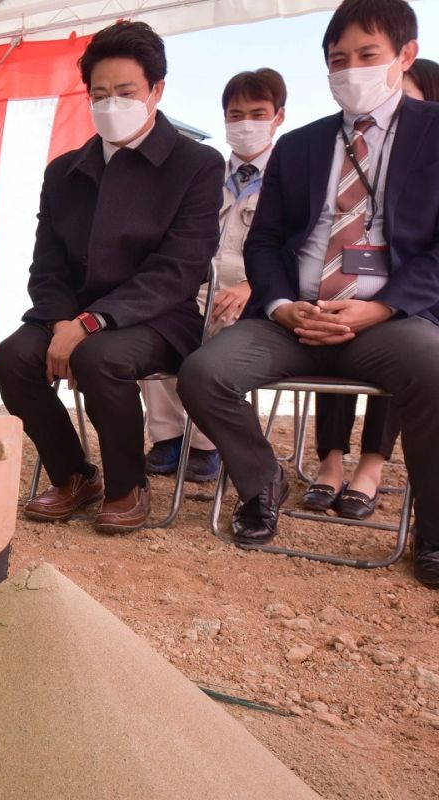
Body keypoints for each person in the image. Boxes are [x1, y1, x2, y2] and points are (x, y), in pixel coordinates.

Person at [178, 0, 439, 590]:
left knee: (434, 368)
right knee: (204, 372)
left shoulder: (434, 134)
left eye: (367, 55)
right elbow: (265, 241)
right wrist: (280, 306)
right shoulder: (299, 146)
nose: (351, 70)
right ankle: (263, 481)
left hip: (387, 321)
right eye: (337, 59)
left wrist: (380, 306)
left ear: (405, 56)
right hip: (292, 318)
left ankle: (434, 533)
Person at [0, 21, 224, 534]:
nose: (110, 104)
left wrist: (93, 322)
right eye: (99, 94)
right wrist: (59, 323)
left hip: (158, 318)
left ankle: (126, 485)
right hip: (69, 315)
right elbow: (46, 264)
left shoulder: (197, 164)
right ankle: (74, 474)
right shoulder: (64, 171)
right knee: (11, 359)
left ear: (156, 91)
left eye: (125, 92)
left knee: (101, 357)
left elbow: (179, 268)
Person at [305, 56, 439, 520]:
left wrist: (388, 304)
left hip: (414, 299)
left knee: (406, 347)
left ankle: (372, 465)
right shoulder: (340, 144)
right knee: (331, 321)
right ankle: (331, 461)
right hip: (339, 281)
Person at [141, 68, 287, 484]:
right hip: (193, 286)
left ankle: (207, 445)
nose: (245, 124)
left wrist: (252, 286)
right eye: (235, 114)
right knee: (156, 323)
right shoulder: (202, 175)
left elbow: (297, 250)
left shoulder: (290, 179)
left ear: (278, 117)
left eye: (257, 113)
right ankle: (167, 437)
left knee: (224, 327)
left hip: (253, 297)